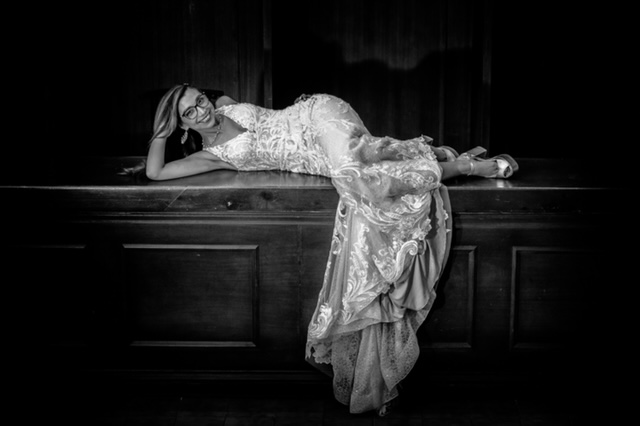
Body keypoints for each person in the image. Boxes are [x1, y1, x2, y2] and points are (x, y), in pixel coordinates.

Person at [143, 83, 518, 415]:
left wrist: (197, 107)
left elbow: (250, 112)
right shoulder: (209, 156)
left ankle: (470, 167)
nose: (202, 111)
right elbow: (155, 172)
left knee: (355, 173)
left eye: (200, 100)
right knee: (361, 177)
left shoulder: (226, 104)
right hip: (321, 159)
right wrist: (161, 130)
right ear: (181, 125)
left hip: (318, 112)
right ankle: (438, 157)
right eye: (189, 112)